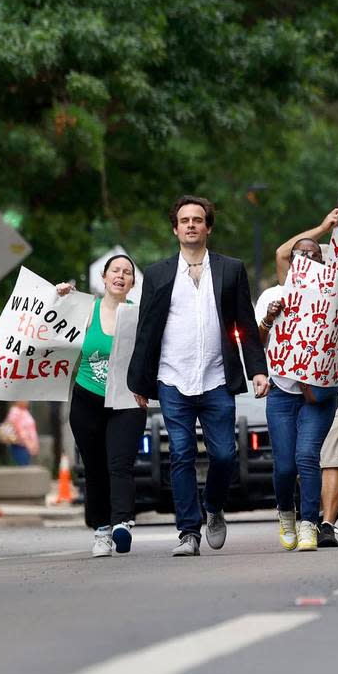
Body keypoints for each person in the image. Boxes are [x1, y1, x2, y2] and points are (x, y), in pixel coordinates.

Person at [127, 196, 268, 557]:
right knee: (182, 453)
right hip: (172, 378)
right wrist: (139, 382)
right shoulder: (158, 274)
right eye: (184, 220)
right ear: (175, 229)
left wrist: (257, 370)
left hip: (217, 378)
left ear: (208, 227)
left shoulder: (231, 269)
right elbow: (146, 331)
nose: (191, 225)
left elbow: (245, 325)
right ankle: (188, 531)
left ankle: (214, 507)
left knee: (223, 455)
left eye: (198, 220)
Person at [268, 209, 338, 549]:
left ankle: (310, 521)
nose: (306, 259)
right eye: (301, 255)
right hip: (283, 389)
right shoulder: (278, 293)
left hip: (323, 390)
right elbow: (258, 334)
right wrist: (323, 227)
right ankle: (286, 513)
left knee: (309, 456)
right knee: (284, 465)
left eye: (314, 255)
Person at [57, 255, 148, 557]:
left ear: (132, 283)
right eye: (115, 271)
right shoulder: (86, 311)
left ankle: (121, 523)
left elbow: (152, 355)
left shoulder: (139, 315)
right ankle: (101, 531)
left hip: (126, 400)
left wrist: (146, 387)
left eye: (127, 272)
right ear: (104, 277)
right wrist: (58, 299)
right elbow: (47, 327)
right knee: (94, 468)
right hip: (87, 400)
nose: (121, 276)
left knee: (119, 464)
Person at [1, 401, 39, 466]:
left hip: (27, 445)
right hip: (20, 444)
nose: (27, 402)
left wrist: (33, 444)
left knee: (26, 465)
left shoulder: (25, 411)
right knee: (23, 466)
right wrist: (24, 441)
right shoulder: (15, 411)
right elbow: (13, 427)